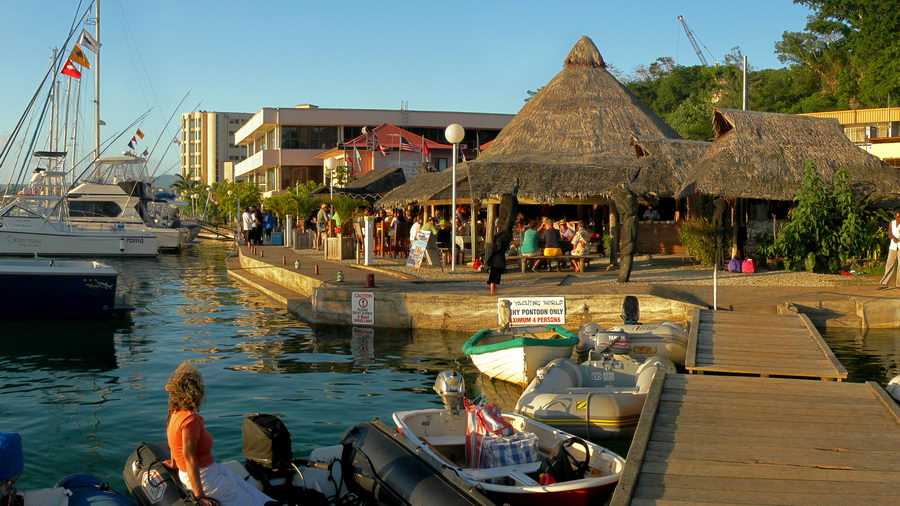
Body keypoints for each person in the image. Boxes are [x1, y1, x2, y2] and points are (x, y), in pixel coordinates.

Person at [164, 362, 273, 506]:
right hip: (204, 477)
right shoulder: (190, 420)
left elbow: (174, 445)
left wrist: (173, 463)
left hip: (209, 470)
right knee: (251, 501)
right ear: (195, 392)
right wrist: (199, 496)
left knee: (248, 489)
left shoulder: (175, 412)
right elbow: (189, 458)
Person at [879, 211, 900, 289]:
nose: (898, 219)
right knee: (889, 264)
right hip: (893, 246)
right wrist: (893, 238)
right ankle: (884, 283)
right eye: (897, 217)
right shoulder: (892, 223)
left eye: (899, 217)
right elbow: (889, 234)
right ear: (895, 217)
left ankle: (898, 284)